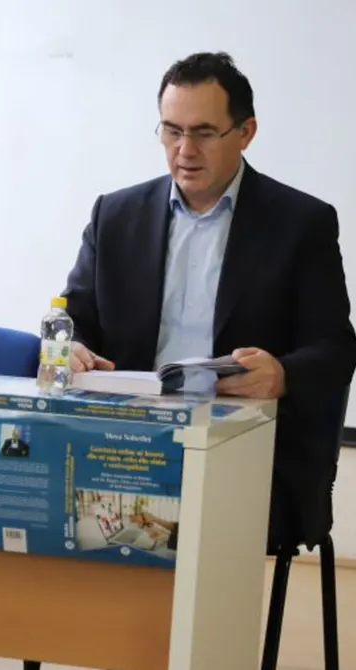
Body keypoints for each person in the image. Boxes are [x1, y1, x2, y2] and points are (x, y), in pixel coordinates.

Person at [62, 51, 356, 556]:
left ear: (245, 132)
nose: (184, 150)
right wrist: (70, 347)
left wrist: (282, 374)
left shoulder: (300, 223)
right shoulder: (117, 215)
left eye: (203, 133)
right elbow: (73, 318)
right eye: (171, 131)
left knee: (174, 527)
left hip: (241, 447)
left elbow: (335, 347)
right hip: (127, 441)